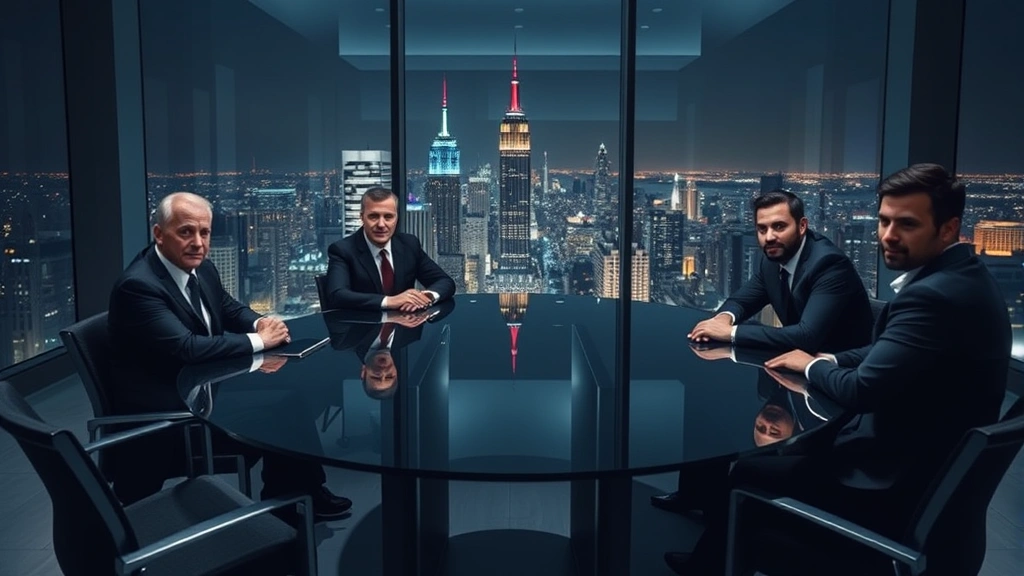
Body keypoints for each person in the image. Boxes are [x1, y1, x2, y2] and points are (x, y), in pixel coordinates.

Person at [663, 164, 1011, 575]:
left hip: (892, 479)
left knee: (749, 469)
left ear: (949, 229)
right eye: (883, 220)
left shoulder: (932, 298)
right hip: (914, 452)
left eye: (907, 224)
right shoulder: (962, 280)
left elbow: (860, 389)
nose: (888, 235)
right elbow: (884, 353)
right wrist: (826, 361)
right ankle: (712, 537)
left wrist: (812, 364)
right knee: (756, 448)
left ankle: (716, 563)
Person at [107, 192, 351, 519]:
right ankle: (293, 500)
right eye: (185, 232)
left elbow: (227, 307)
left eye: (204, 233)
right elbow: (188, 347)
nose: (197, 242)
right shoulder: (139, 286)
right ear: (158, 234)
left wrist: (259, 320)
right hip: (171, 417)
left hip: (204, 388)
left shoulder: (202, 269)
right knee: (282, 409)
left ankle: (298, 494)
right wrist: (259, 340)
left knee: (292, 397)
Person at [656, 190, 874, 513]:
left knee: (750, 450)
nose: (769, 236)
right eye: (762, 229)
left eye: (779, 226)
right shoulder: (772, 259)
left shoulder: (829, 265)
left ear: (802, 226)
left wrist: (729, 333)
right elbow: (744, 300)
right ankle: (697, 498)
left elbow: (807, 336)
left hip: (835, 385)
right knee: (709, 406)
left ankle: (724, 537)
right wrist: (722, 317)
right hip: (791, 372)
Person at [325, 187, 456, 311]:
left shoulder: (409, 244)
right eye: (373, 216)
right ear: (362, 217)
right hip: (361, 329)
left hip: (404, 328)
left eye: (388, 217)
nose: (381, 224)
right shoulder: (342, 250)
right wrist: (390, 301)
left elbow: (445, 281)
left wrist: (426, 297)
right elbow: (337, 295)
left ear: (396, 218)